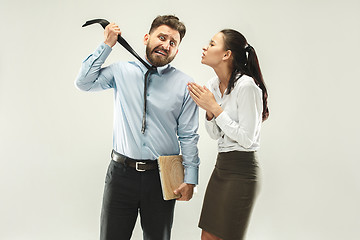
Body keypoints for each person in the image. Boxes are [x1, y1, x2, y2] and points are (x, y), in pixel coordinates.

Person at [75, 15, 199, 240]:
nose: (166, 45)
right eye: (162, 37)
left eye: (173, 43)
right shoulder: (121, 71)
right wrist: (107, 45)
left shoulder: (186, 85)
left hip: (162, 179)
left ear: (177, 51)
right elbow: (83, 82)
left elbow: (189, 135)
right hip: (120, 175)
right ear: (146, 38)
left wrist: (190, 178)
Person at [187, 29, 269, 240]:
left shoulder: (247, 86)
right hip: (221, 167)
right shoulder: (212, 86)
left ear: (226, 54)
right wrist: (209, 110)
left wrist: (215, 108)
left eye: (212, 44)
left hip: (242, 171)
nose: (205, 47)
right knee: (206, 237)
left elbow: (246, 138)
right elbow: (215, 134)